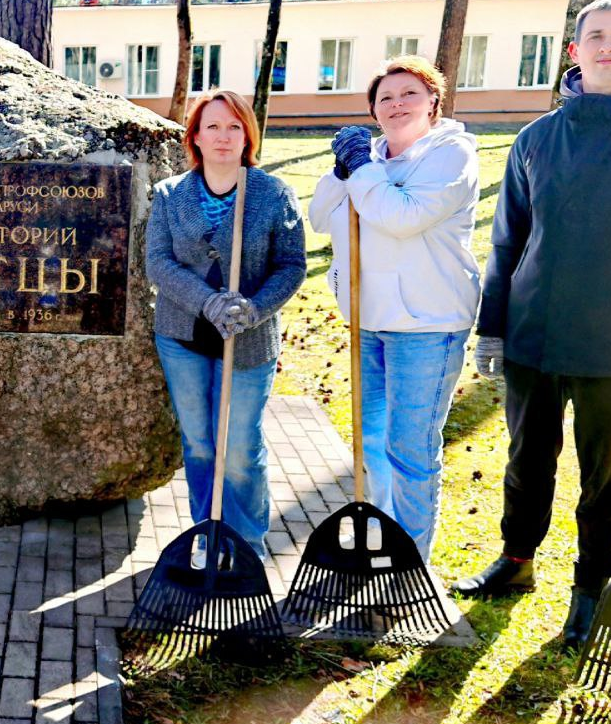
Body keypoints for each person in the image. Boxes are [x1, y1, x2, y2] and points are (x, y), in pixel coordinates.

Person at [456, 0, 611, 649]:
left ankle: (592, 591)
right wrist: (492, 325)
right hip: (533, 336)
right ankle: (515, 563)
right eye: (595, 35)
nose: (607, 46)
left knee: (606, 478)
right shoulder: (536, 139)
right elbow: (508, 242)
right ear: (574, 50)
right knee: (525, 461)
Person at [307, 56, 480, 562]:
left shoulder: (451, 156)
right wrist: (343, 171)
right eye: (385, 97)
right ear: (373, 110)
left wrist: (360, 170)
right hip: (368, 322)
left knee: (410, 452)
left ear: (434, 102)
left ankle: (408, 567)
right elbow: (321, 218)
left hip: (426, 326)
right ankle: (376, 542)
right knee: (371, 445)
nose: (397, 103)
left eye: (410, 93)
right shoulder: (368, 157)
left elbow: (401, 217)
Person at [145, 89, 306, 558]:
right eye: (212, 126)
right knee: (198, 443)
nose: (222, 136)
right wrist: (208, 302)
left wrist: (254, 308)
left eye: (234, 126)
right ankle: (208, 533)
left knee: (238, 448)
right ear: (194, 135)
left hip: (249, 342)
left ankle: (246, 542)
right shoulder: (171, 196)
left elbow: (291, 265)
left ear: (247, 135)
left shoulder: (273, 195)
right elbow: (158, 262)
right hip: (184, 338)